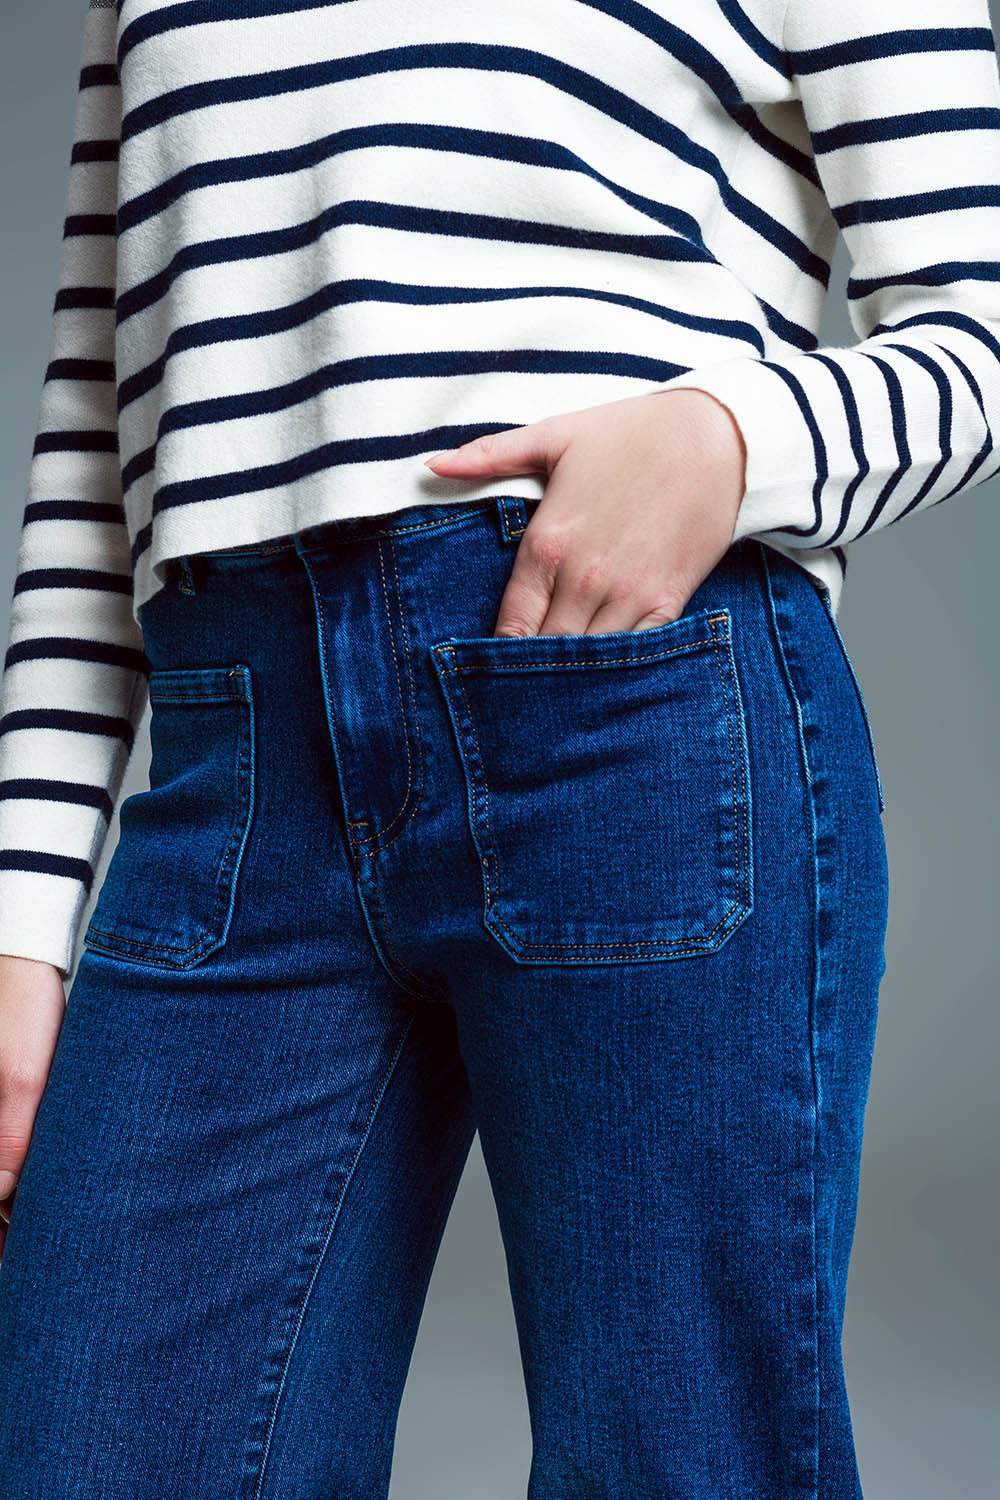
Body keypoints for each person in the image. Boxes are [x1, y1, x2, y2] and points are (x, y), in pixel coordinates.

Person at [0, 0, 996, 1494]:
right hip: (238, 747)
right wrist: (19, 923)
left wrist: (730, 442)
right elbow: (99, 416)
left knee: (679, 1459)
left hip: (621, 693)